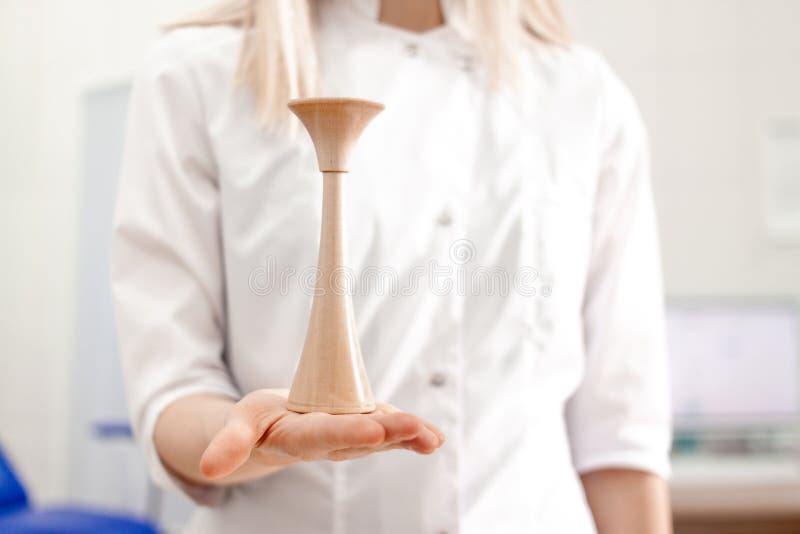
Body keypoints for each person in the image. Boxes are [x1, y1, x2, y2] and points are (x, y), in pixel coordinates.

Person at [111, 0, 673, 532]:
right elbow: (172, 387)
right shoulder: (196, 74)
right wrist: (254, 440)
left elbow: (620, 427)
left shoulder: (583, 94)